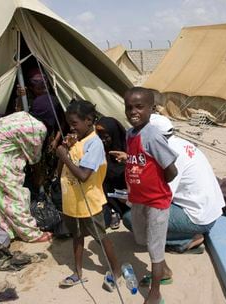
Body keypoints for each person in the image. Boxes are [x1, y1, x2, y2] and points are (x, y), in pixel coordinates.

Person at [111, 87, 178, 304]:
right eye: (129, 107)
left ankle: (155, 293)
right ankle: (165, 270)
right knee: (142, 238)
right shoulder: (131, 134)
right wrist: (129, 160)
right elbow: (140, 159)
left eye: (139, 107)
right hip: (139, 200)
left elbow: (171, 169)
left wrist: (155, 185)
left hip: (157, 202)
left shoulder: (153, 135)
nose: (133, 112)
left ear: (152, 109)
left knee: (154, 248)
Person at [122, 114, 225, 254]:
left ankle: (186, 240)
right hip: (208, 209)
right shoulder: (180, 143)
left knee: (131, 219)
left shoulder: (169, 154)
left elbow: (161, 199)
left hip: (197, 217)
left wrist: (130, 201)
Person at [56, 100, 121, 291]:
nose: (71, 127)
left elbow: (84, 176)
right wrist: (65, 151)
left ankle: (116, 271)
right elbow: (59, 170)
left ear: (89, 120)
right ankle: (77, 273)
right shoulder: (76, 142)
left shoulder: (95, 144)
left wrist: (65, 156)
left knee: (100, 237)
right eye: (69, 123)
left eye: (75, 123)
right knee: (76, 235)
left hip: (89, 202)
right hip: (72, 201)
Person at [0, 111, 52, 243]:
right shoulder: (38, 128)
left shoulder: (24, 116)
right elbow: (34, 158)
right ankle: (31, 234)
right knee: (14, 194)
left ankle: (11, 230)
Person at [95, 116, 130, 229]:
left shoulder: (128, 147)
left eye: (105, 136)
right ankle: (112, 209)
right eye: (99, 135)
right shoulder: (99, 148)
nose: (102, 139)